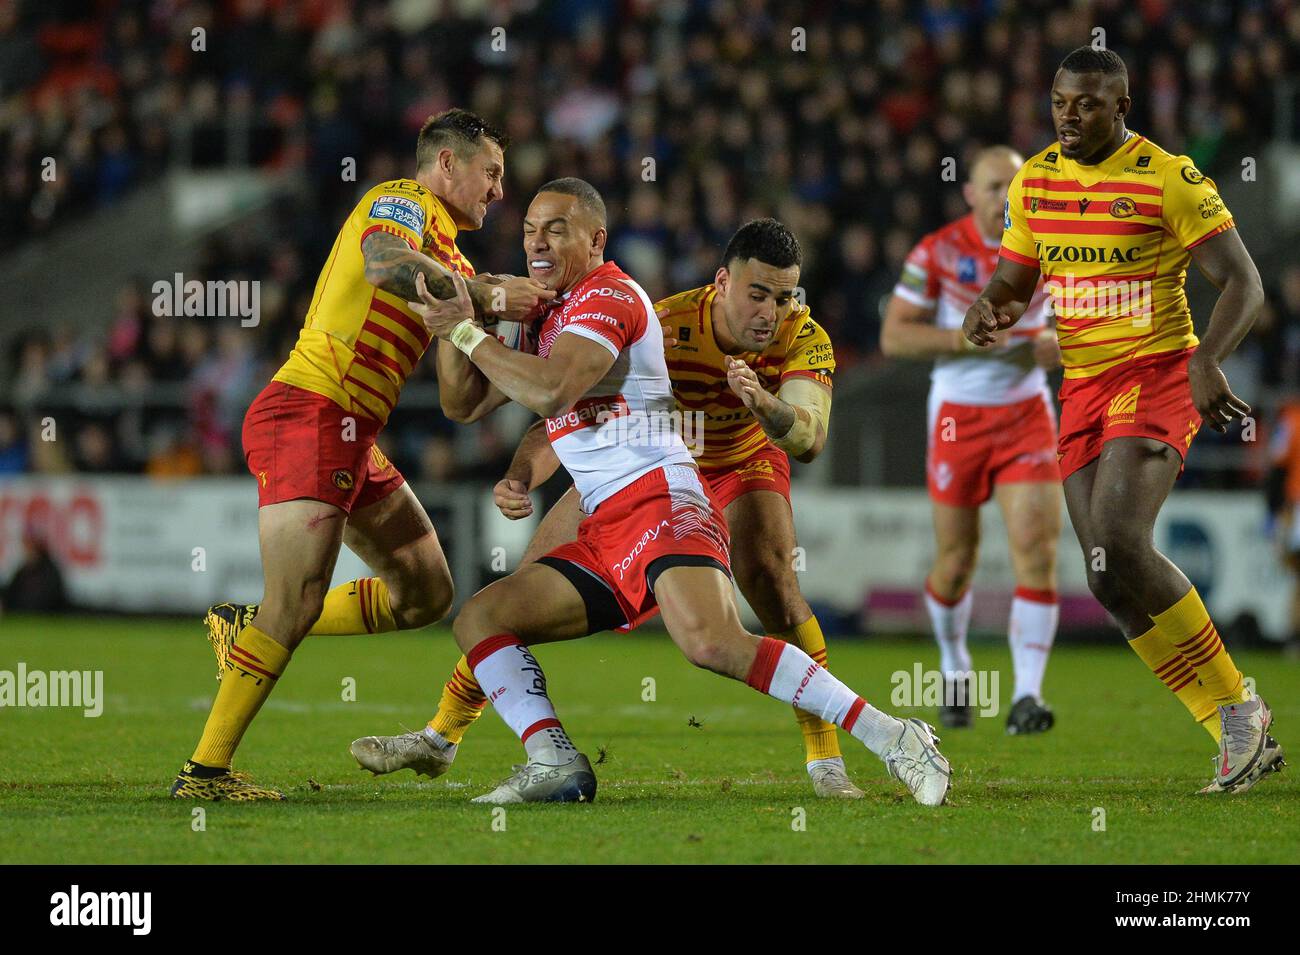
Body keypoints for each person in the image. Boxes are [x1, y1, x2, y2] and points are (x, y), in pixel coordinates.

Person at [403, 177, 951, 805]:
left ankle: (864, 746)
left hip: (713, 469)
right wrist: (467, 343)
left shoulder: (646, 305)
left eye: (783, 296)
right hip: (622, 490)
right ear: (722, 284)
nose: (770, 311)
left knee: (744, 611)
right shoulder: (617, 317)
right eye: (757, 294)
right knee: (493, 609)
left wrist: (765, 402)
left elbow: (807, 438)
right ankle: (492, 744)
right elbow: (517, 406)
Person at [171, 109, 552, 800]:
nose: (498, 191)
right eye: (490, 173)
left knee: (427, 590)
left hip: (349, 433)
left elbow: (458, 402)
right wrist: (491, 293)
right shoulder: (399, 201)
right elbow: (383, 265)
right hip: (309, 408)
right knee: (297, 601)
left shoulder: (455, 267)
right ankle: (203, 774)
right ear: (446, 165)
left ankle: (244, 628)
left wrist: (527, 355)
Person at [963, 47, 1282, 793]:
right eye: (1060, 102)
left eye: (1087, 105)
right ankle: (1234, 730)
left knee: (1119, 540)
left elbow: (1244, 281)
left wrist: (1209, 357)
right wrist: (991, 307)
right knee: (1106, 580)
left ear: (1122, 108)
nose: (1069, 117)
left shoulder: (1168, 178)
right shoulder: (1035, 181)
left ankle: (1239, 706)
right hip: (1083, 384)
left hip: (1160, 368)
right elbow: (1016, 279)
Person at [882, 146, 1063, 734]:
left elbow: (1084, 324)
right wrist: (965, 340)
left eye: (1013, 186)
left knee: (1036, 553)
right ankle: (955, 667)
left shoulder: (1054, 244)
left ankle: (1026, 698)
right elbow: (894, 338)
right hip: (957, 417)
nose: (1003, 197)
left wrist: (1057, 347)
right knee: (955, 563)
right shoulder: (938, 251)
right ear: (970, 193)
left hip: (1026, 415)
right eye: (992, 187)